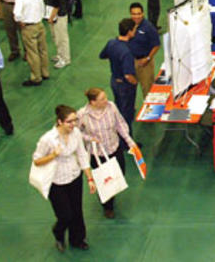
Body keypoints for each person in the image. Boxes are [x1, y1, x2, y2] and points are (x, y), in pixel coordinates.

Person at [32, 105, 96, 252]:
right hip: (57, 182)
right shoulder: (47, 139)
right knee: (65, 215)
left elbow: (82, 155)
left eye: (75, 120)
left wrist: (89, 178)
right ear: (60, 122)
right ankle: (58, 233)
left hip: (74, 177)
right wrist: (53, 155)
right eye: (69, 122)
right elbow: (36, 161)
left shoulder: (76, 134)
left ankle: (77, 239)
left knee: (77, 211)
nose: (74, 125)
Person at [78, 87, 137, 219]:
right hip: (97, 154)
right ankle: (107, 206)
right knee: (104, 180)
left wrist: (129, 141)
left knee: (120, 173)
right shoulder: (83, 115)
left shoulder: (111, 107)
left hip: (114, 148)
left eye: (105, 97)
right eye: (102, 99)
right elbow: (75, 132)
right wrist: (89, 138)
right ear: (93, 102)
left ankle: (111, 193)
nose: (106, 100)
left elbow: (119, 124)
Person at [99, 19, 138, 136]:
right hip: (125, 85)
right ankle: (126, 141)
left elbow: (102, 55)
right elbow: (128, 75)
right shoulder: (126, 52)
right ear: (129, 32)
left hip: (114, 81)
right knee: (127, 114)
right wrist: (135, 82)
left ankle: (119, 134)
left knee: (119, 109)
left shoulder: (111, 43)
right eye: (134, 29)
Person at [14, 0, 48, 86]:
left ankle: (36, 77)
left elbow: (17, 14)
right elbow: (42, 7)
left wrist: (20, 21)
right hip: (39, 24)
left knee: (32, 53)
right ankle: (45, 72)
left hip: (29, 27)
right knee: (42, 49)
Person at [41, 0, 70, 69]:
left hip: (59, 15)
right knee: (55, 36)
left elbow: (57, 4)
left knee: (61, 38)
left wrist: (51, 17)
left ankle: (65, 59)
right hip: (52, 14)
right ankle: (60, 54)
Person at [128, 2, 160, 99]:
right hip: (131, 62)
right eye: (133, 14)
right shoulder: (128, 25)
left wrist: (148, 58)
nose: (136, 16)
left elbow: (156, 45)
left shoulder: (149, 28)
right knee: (129, 88)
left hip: (145, 63)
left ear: (143, 14)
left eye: (138, 14)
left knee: (147, 89)